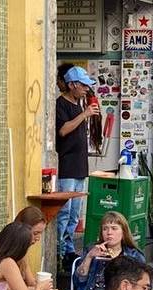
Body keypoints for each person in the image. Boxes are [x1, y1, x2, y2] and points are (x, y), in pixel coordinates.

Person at [73, 210, 146, 290]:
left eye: (114, 228)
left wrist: (118, 263)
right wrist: (89, 257)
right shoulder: (92, 249)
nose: (109, 232)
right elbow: (78, 281)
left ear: (123, 232)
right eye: (105, 228)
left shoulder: (134, 255)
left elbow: (142, 286)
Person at [56, 66, 98, 256]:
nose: (86, 89)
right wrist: (85, 114)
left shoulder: (79, 104)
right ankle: (59, 251)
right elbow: (63, 130)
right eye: (83, 85)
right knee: (64, 213)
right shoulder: (61, 104)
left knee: (75, 214)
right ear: (71, 85)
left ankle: (69, 248)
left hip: (80, 167)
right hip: (67, 166)